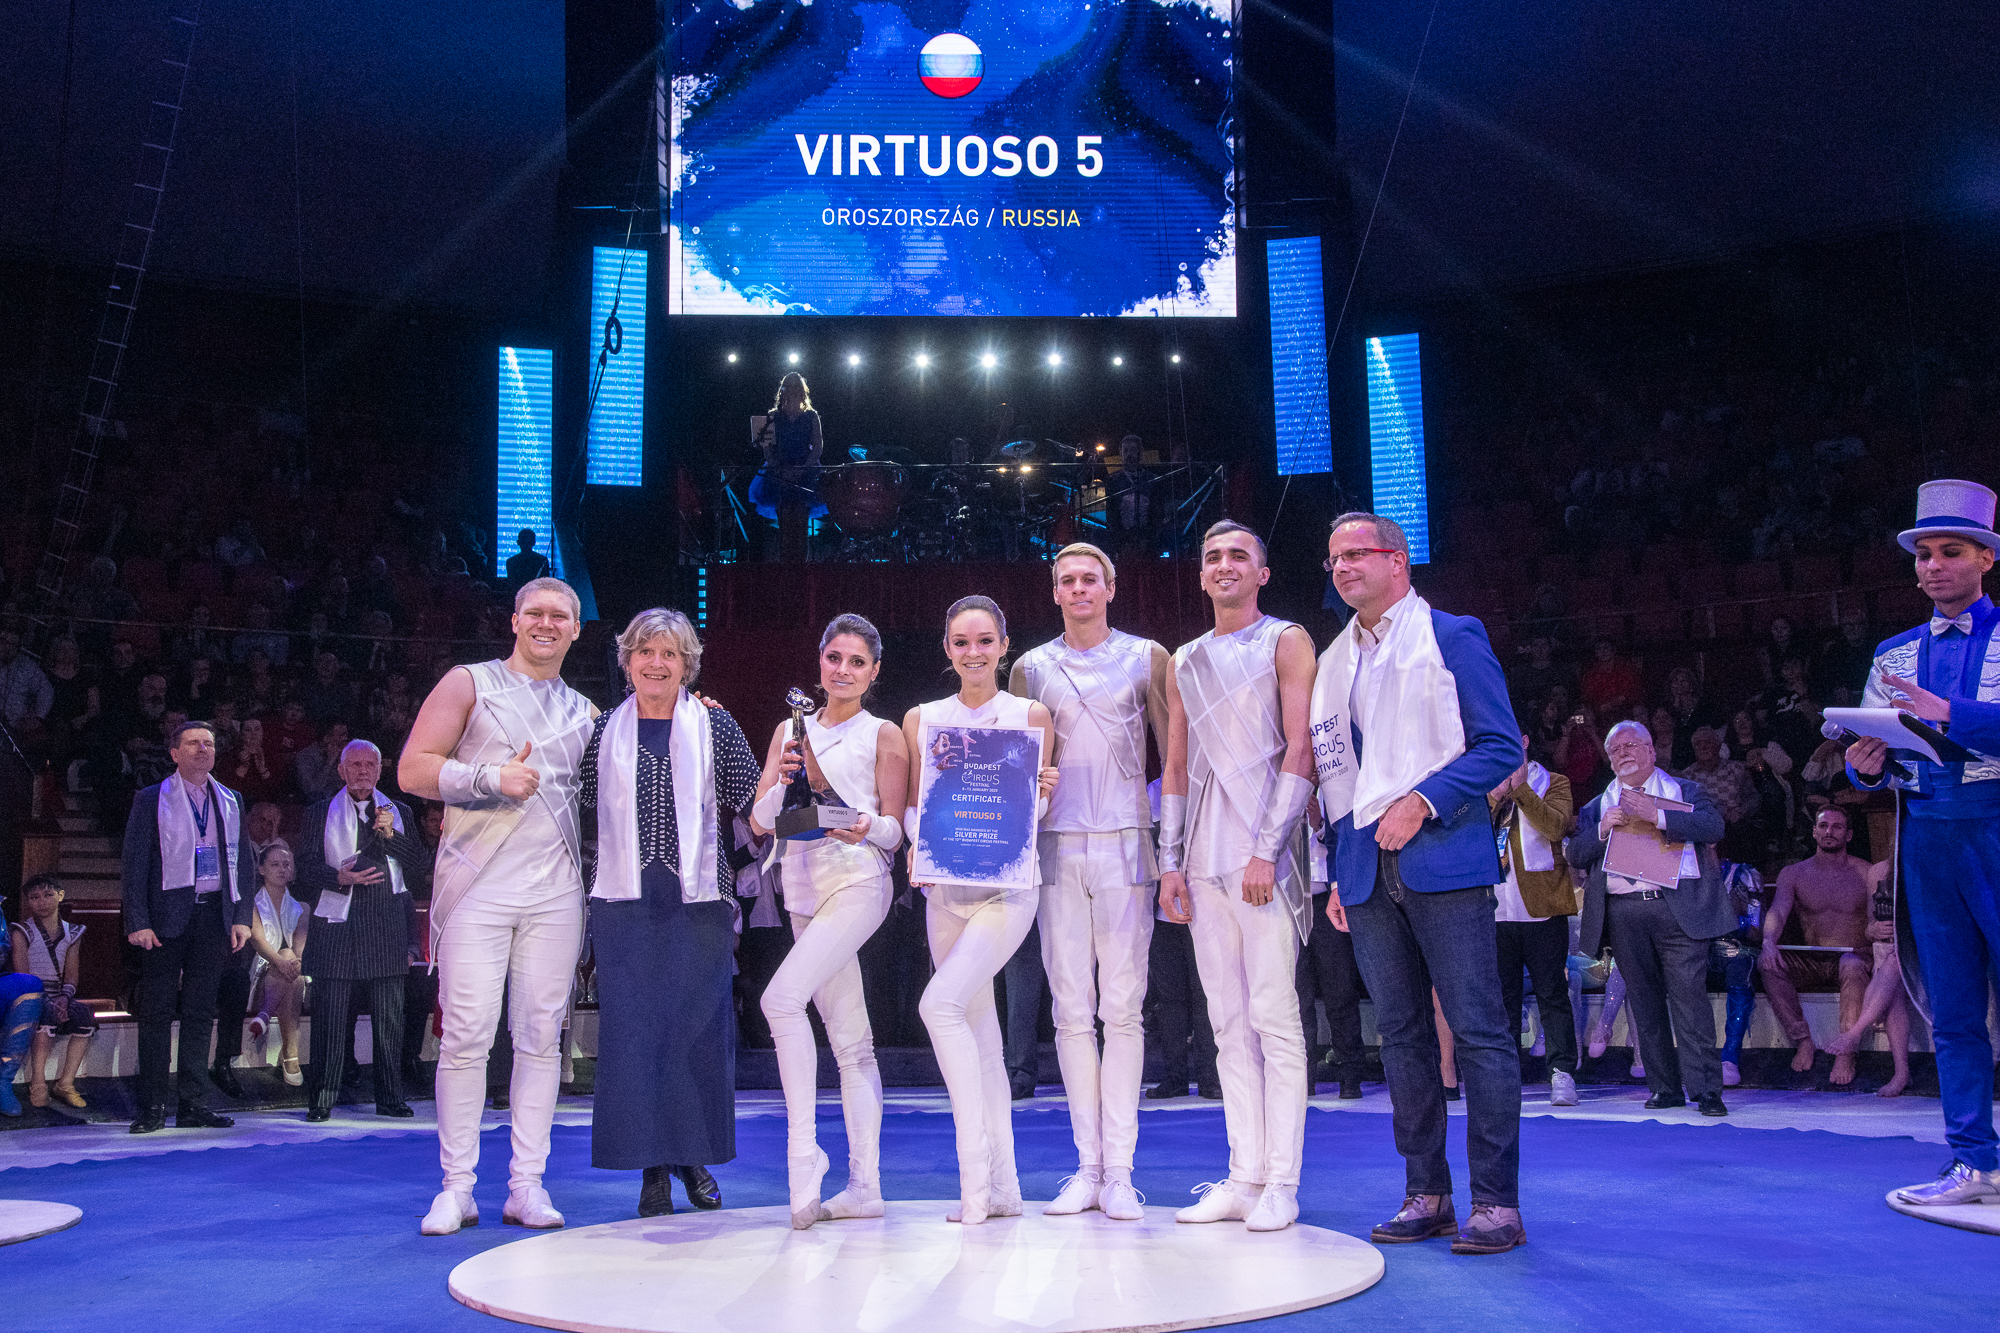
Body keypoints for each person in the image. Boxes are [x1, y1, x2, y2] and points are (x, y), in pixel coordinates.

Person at [1311, 512, 1525, 1255]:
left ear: (1397, 559)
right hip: (1365, 868)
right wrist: (1340, 871)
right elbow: (1342, 779)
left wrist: (1426, 798)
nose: (1343, 567)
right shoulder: (1335, 659)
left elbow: (1500, 745)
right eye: (1334, 559)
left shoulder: (1452, 634)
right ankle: (1426, 1192)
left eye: (1356, 554)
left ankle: (1496, 1201)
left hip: (1443, 857)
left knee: (1478, 1030)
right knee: (1400, 1037)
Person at [398, 577, 598, 1234]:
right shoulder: (469, 682)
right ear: (514, 620)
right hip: (476, 887)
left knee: (541, 1038)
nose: (546, 623)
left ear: (576, 629)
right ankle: (456, 1188)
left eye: (559, 616)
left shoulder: (586, 712)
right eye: (534, 612)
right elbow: (412, 769)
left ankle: (526, 1186)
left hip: (556, 892)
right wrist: (490, 778)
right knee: (465, 1037)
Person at [1844, 480, 2000, 1206]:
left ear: (1985, 558)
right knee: (1954, 1009)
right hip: (1927, 837)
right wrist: (1863, 763)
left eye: (1951, 551)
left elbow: (1951, 720)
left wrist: (1950, 713)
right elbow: (1868, 750)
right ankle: (1974, 1161)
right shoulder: (1893, 653)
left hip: (1995, 826)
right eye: (1925, 554)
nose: (1934, 565)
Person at [1009, 542, 1174, 1221]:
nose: (1078, 588)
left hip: (1128, 842)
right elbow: (1014, 766)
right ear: (1054, 591)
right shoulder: (1029, 667)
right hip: (1055, 845)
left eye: (1089, 579)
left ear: (1110, 586)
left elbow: (1173, 755)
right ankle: (1087, 1166)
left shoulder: (1148, 656)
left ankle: (1122, 1172)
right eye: (1067, 580)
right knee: (1070, 1010)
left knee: (1123, 1008)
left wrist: (1173, 847)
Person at [1160, 520, 1316, 1234]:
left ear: (1263, 572)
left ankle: (1282, 1181)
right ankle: (1244, 1175)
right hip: (1202, 860)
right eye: (1213, 557)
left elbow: (1301, 747)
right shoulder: (1185, 659)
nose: (1225, 565)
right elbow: (1176, 765)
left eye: (1238, 556)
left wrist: (1268, 848)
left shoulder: (1286, 639)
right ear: (1201, 574)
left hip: (1264, 858)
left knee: (1274, 1017)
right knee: (1226, 1024)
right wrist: (1169, 861)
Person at [583, 608, 760, 1219]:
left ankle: (693, 1156)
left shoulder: (716, 724)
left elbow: (753, 801)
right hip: (624, 907)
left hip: (699, 906)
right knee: (635, 1038)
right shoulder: (602, 730)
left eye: (670, 654)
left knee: (695, 1034)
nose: (656, 663)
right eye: (645, 652)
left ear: (688, 664)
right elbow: (581, 807)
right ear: (627, 660)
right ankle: (652, 1168)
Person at [901, 595, 1059, 1225]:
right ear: (947, 649)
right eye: (962, 642)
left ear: (1003, 646)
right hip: (945, 891)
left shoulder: (1029, 714)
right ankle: (1004, 1188)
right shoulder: (923, 719)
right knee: (983, 1039)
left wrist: (1040, 794)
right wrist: (919, 842)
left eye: (985, 641)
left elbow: (1035, 810)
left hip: (1007, 889)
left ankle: (973, 1185)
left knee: (939, 1006)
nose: (974, 653)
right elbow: (915, 803)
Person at [748, 613, 907, 1228]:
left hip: (859, 880)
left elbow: (895, 829)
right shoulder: (791, 731)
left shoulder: (883, 734)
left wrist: (865, 824)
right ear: (820, 661)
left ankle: (803, 1154)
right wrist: (786, 777)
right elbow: (763, 821)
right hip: (800, 886)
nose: (843, 670)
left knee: (780, 1000)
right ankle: (865, 1186)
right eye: (835, 658)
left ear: (874, 672)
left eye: (857, 662)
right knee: (850, 1041)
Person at [1569, 721, 1734, 1116]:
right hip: (1623, 912)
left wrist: (1658, 815)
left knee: (1689, 1000)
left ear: (1650, 750)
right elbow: (1575, 854)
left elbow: (1714, 826)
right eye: (1614, 750)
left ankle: (1706, 1090)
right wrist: (1602, 830)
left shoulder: (1685, 790)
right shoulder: (1597, 805)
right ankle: (1664, 1087)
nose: (1622, 753)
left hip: (1676, 908)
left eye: (1630, 745)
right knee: (1644, 1002)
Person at [121, 719, 256, 1133]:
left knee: (200, 1012)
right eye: (193, 743)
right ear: (174, 753)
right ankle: (152, 1105)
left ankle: (193, 1103)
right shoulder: (151, 798)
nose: (202, 749)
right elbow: (134, 864)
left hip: (213, 916)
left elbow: (244, 864)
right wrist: (138, 920)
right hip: (165, 917)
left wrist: (240, 917)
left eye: (208, 743)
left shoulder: (230, 799)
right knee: (157, 1012)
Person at [294, 740, 428, 1120]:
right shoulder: (320, 812)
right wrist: (338, 877)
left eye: (370, 764)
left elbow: (419, 866)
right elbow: (304, 868)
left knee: (389, 1023)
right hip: (336, 928)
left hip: (386, 926)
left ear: (380, 770)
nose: (363, 771)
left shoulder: (398, 812)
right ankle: (322, 1099)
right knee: (330, 1022)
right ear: (341, 770)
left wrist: (392, 836)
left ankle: (390, 1098)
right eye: (355, 764)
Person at [1488, 734, 1579, 1106]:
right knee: (1502, 997)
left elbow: (1556, 827)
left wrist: (1521, 790)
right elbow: (1472, 832)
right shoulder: (1485, 785)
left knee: (1552, 993)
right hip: (1496, 908)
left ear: (1524, 741)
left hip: (1543, 907)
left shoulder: (1553, 782)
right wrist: (1494, 797)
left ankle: (1562, 1073)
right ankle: (1505, 1078)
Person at [1759, 806, 1873, 1085]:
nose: (1829, 832)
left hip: (1854, 958)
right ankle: (1803, 1040)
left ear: (1848, 835)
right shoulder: (1794, 873)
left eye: (1837, 827)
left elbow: (1875, 921)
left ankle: (1846, 1051)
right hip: (1812, 959)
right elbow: (1778, 911)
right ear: (1814, 831)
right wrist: (1768, 942)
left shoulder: (1865, 872)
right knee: (1767, 962)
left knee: (1851, 963)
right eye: (1823, 826)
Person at [1824, 859, 1915, 1098]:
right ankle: (1902, 1073)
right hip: (1893, 954)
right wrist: (1873, 930)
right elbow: (1869, 927)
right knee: (1893, 980)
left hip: (1927, 950)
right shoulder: (1878, 872)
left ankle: (1854, 1033)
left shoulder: (1926, 865)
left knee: (1894, 963)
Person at [11, 875, 96, 1109]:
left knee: (84, 1015)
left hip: (60, 994)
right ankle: (38, 1081)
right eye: (34, 897)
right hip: (32, 993)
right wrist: (49, 1000)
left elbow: (72, 973)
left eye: (48, 895)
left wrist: (65, 998)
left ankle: (66, 1083)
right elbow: (23, 976)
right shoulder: (22, 930)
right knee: (46, 1013)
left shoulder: (73, 931)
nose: (42, 902)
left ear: (60, 895)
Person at [246, 841, 309, 1087]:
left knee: (293, 965)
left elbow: (300, 951)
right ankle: (290, 1056)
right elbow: (259, 942)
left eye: (286, 864)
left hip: (293, 975)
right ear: (261, 869)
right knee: (286, 959)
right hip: (261, 974)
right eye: (275, 865)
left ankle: (265, 1015)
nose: (282, 869)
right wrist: (284, 963)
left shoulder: (302, 908)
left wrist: (294, 962)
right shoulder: (251, 904)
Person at [750, 371, 825, 563]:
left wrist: (802, 469)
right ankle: (786, 569)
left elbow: (818, 447)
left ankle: (801, 568)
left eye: (795, 388)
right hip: (779, 472)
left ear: (802, 392)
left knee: (801, 525)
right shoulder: (772, 417)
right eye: (788, 388)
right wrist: (779, 469)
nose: (792, 392)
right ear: (782, 391)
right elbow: (767, 450)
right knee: (785, 525)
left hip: (805, 471)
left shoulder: (811, 416)